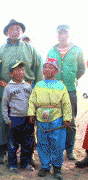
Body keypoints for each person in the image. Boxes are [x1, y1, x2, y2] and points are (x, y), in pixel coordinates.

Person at [0, 19, 43, 164]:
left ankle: (28, 154)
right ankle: (3, 151)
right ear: (7, 32)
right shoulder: (0, 50)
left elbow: (38, 69)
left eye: (18, 28)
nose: (15, 31)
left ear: (21, 32)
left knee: (27, 121)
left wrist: (37, 90)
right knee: (3, 121)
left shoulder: (30, 48)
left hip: (26, 91)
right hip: (4, 89)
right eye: (12, 28)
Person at [28, 58, 72, 179]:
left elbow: (66, 103)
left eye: (50, 67)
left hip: (56, 118)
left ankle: (57, 167)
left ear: (56, 71)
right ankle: (45, 166)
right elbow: (32, 100)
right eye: (45, 67)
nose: (47, 69)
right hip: (41, 119)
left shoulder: (61, 86)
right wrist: (31, 113)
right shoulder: (38, 85)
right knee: (42, 143)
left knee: (57, 143)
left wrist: (67, 118)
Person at [47, 24, 86, 160]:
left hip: (70, 90)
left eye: (65, 33)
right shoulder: (52, 51)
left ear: (69, 34)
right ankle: (54, 147)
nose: (63, 35)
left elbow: (81, 69)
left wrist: (71, 79)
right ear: (57, 35)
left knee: (70, 121)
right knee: (54, 119)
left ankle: (69, 150)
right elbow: (47, 69)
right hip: (54, 90)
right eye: (60, 33)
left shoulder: (77, 50)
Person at [2, 60, 34, 173]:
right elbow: (4, 105)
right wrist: (7, 119)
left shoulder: (28, 86)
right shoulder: (9, 88)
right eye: (17, 70)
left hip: (27, 119)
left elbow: (32, 102)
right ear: (11, 74)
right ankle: (13, 164)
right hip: (15, 119)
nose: (20, 72)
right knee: (13, 143)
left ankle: (25, 163)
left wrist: (32, 115)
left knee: (28, 142)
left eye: (22, 70)